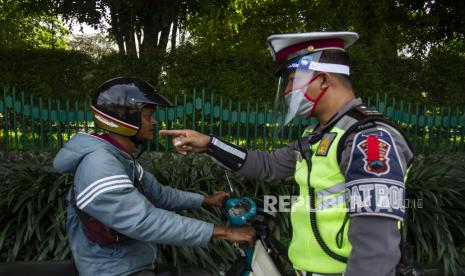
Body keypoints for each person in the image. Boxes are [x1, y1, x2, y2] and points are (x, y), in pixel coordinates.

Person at [160, 32, 414, 276]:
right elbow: (268, 165)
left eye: (293, 80)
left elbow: (376, 242)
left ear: (324, 80)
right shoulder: (319, 135)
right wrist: (210, 144)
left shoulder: (367, 138)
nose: (287, 91)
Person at [53, 77, 255, 276]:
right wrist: (226, 232)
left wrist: (205, 200)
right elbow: (144, 221)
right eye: (148, 116)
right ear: (125, 120)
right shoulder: (100, 165)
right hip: (114, 270)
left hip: (130, 262)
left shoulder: (120, 157)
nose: (154, 122)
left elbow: (159, 194)